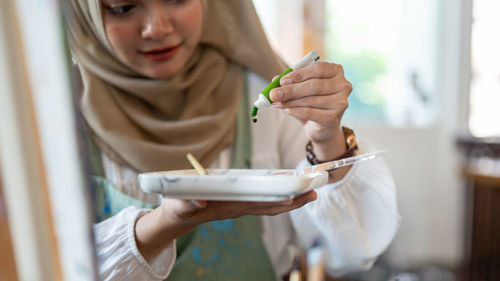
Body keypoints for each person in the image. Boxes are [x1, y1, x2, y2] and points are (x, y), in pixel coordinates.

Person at [66, 0, 400, 280]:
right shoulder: (57, 113)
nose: (156, 27)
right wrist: (162, 224)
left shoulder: (262, 93)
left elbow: (354, 251)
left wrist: (327, 139)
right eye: (123, 7)